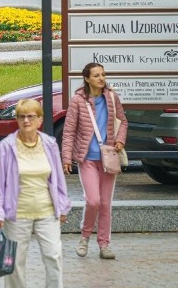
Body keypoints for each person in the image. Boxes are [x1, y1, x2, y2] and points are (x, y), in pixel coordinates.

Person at [0, 99, 71, 288]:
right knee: (15, 263)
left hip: (47, 211)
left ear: (39, 119)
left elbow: (58, 179)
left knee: (54, 255)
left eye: (30, 116)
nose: (26, 121)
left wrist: (63, 206)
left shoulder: (49, 144)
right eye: (21, 117)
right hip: (16, 213)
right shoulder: (6, 147)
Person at [61, 62, 128, 260]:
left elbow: (123, 121)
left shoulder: (112, 97)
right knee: (93, 201)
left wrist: (119, 140)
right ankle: (84, 236)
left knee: (105, 203)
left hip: (108, 159)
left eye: (103, 75)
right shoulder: (77, 101)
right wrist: (66, 157)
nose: (101, 78)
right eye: (97, 75)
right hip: (87, 159)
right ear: (87, 79)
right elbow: (69, 131)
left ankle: (104, 244)